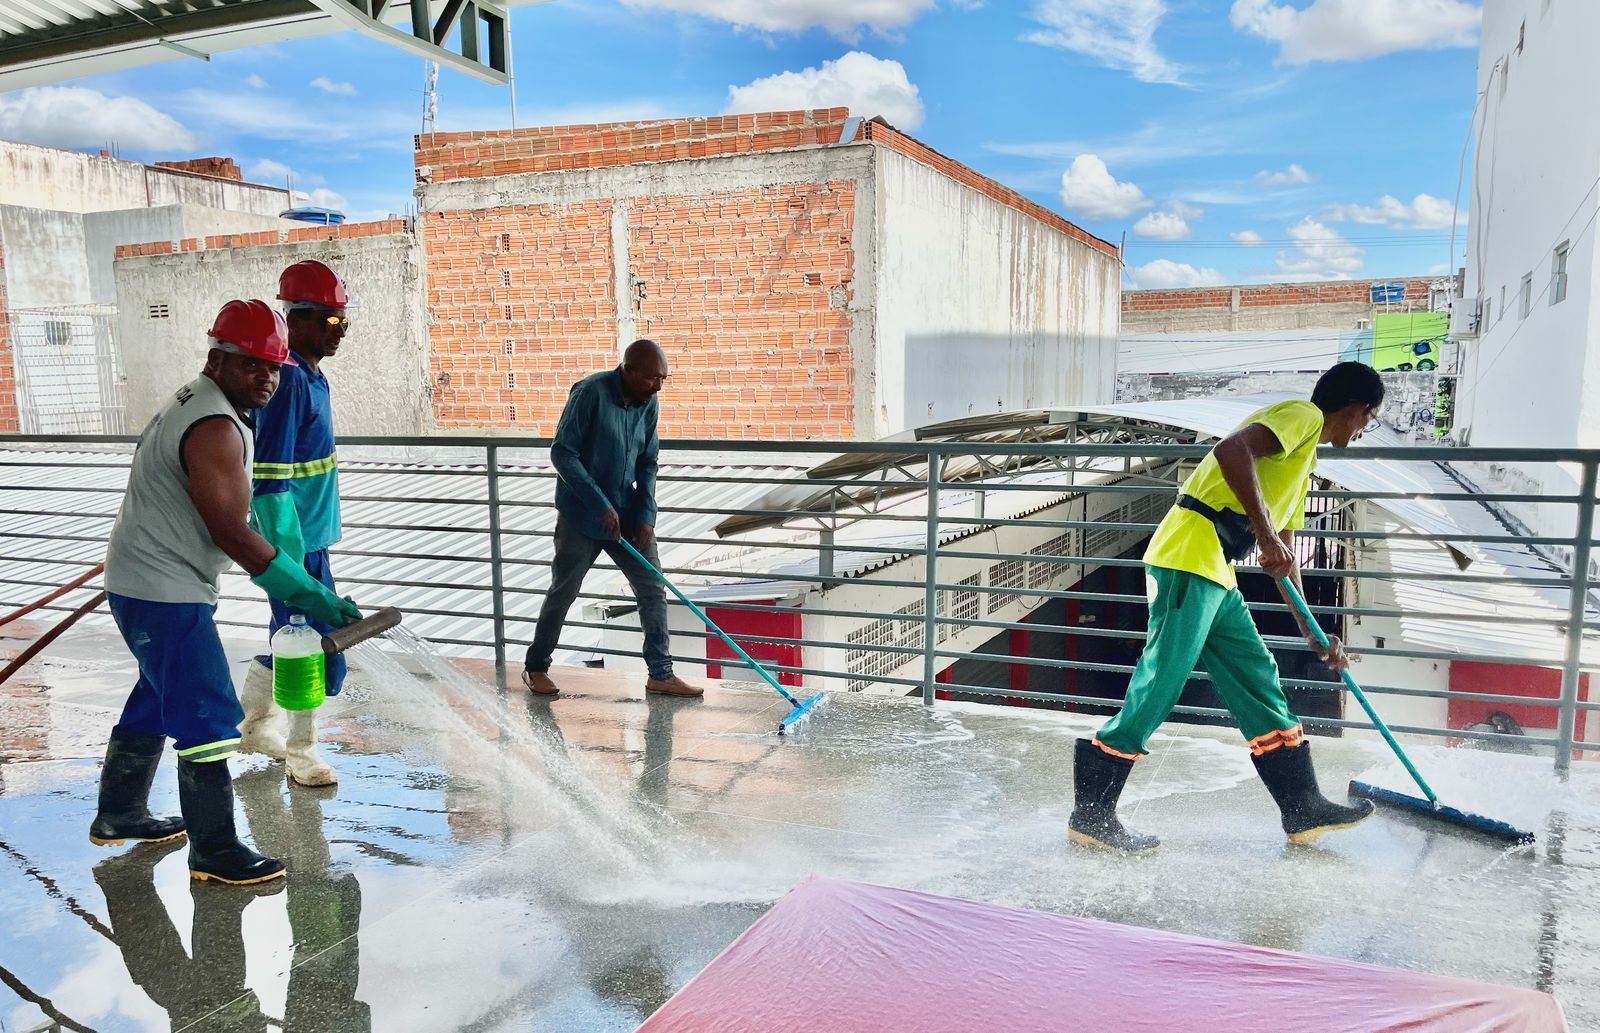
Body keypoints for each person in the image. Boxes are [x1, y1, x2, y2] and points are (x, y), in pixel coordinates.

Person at [92, 299, 360, 886]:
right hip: (162, 587)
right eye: (250, 365)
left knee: (158, 693)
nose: (265, 378)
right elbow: (231, 531)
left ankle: (119, 811)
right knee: (209, 714)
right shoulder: (214, 424)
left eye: (273, 366)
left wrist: (298, 576)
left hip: (150, 579)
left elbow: (233, 517)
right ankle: (214, 850)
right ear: (218, 358)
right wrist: (307, 591)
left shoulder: (206, 402)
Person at [1069, 362, 1386, 854]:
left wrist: (1314, 633)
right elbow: (1231, 449)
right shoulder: (1302, 415)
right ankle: (1092, 813)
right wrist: (1261, 533)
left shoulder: (1302, 463)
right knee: (1161, 682)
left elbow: (1283, 548)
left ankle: (1302, 807)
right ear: (1355, 409)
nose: (1364, 429)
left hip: (1216, 569)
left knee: (1258, 676)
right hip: (1188, 557)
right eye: (1369, 418)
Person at [522, 339, 700, 698]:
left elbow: (648, 461)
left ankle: (661, 674)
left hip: (629, 513)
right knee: (564, 591)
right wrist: (600, 505)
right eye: (652, 378)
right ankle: (537, 667)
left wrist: (646, 514)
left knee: (652, 589)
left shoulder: (650, 403)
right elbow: (563, 454)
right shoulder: (590, 393)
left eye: (664, 379)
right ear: (628, 370)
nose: (658, 386)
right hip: (582, 515)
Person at [237, 260, 352, 787]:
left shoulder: (311, 376)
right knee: (314, 649)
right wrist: (291, 571)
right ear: (297, 320)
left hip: (313, 540)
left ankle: (258, 725)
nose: (339, 332)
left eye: (342, 322)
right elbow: (270, 480)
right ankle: (302, 750)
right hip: (293, 545)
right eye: (330, 321)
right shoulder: (287, 385)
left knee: (299, 641)